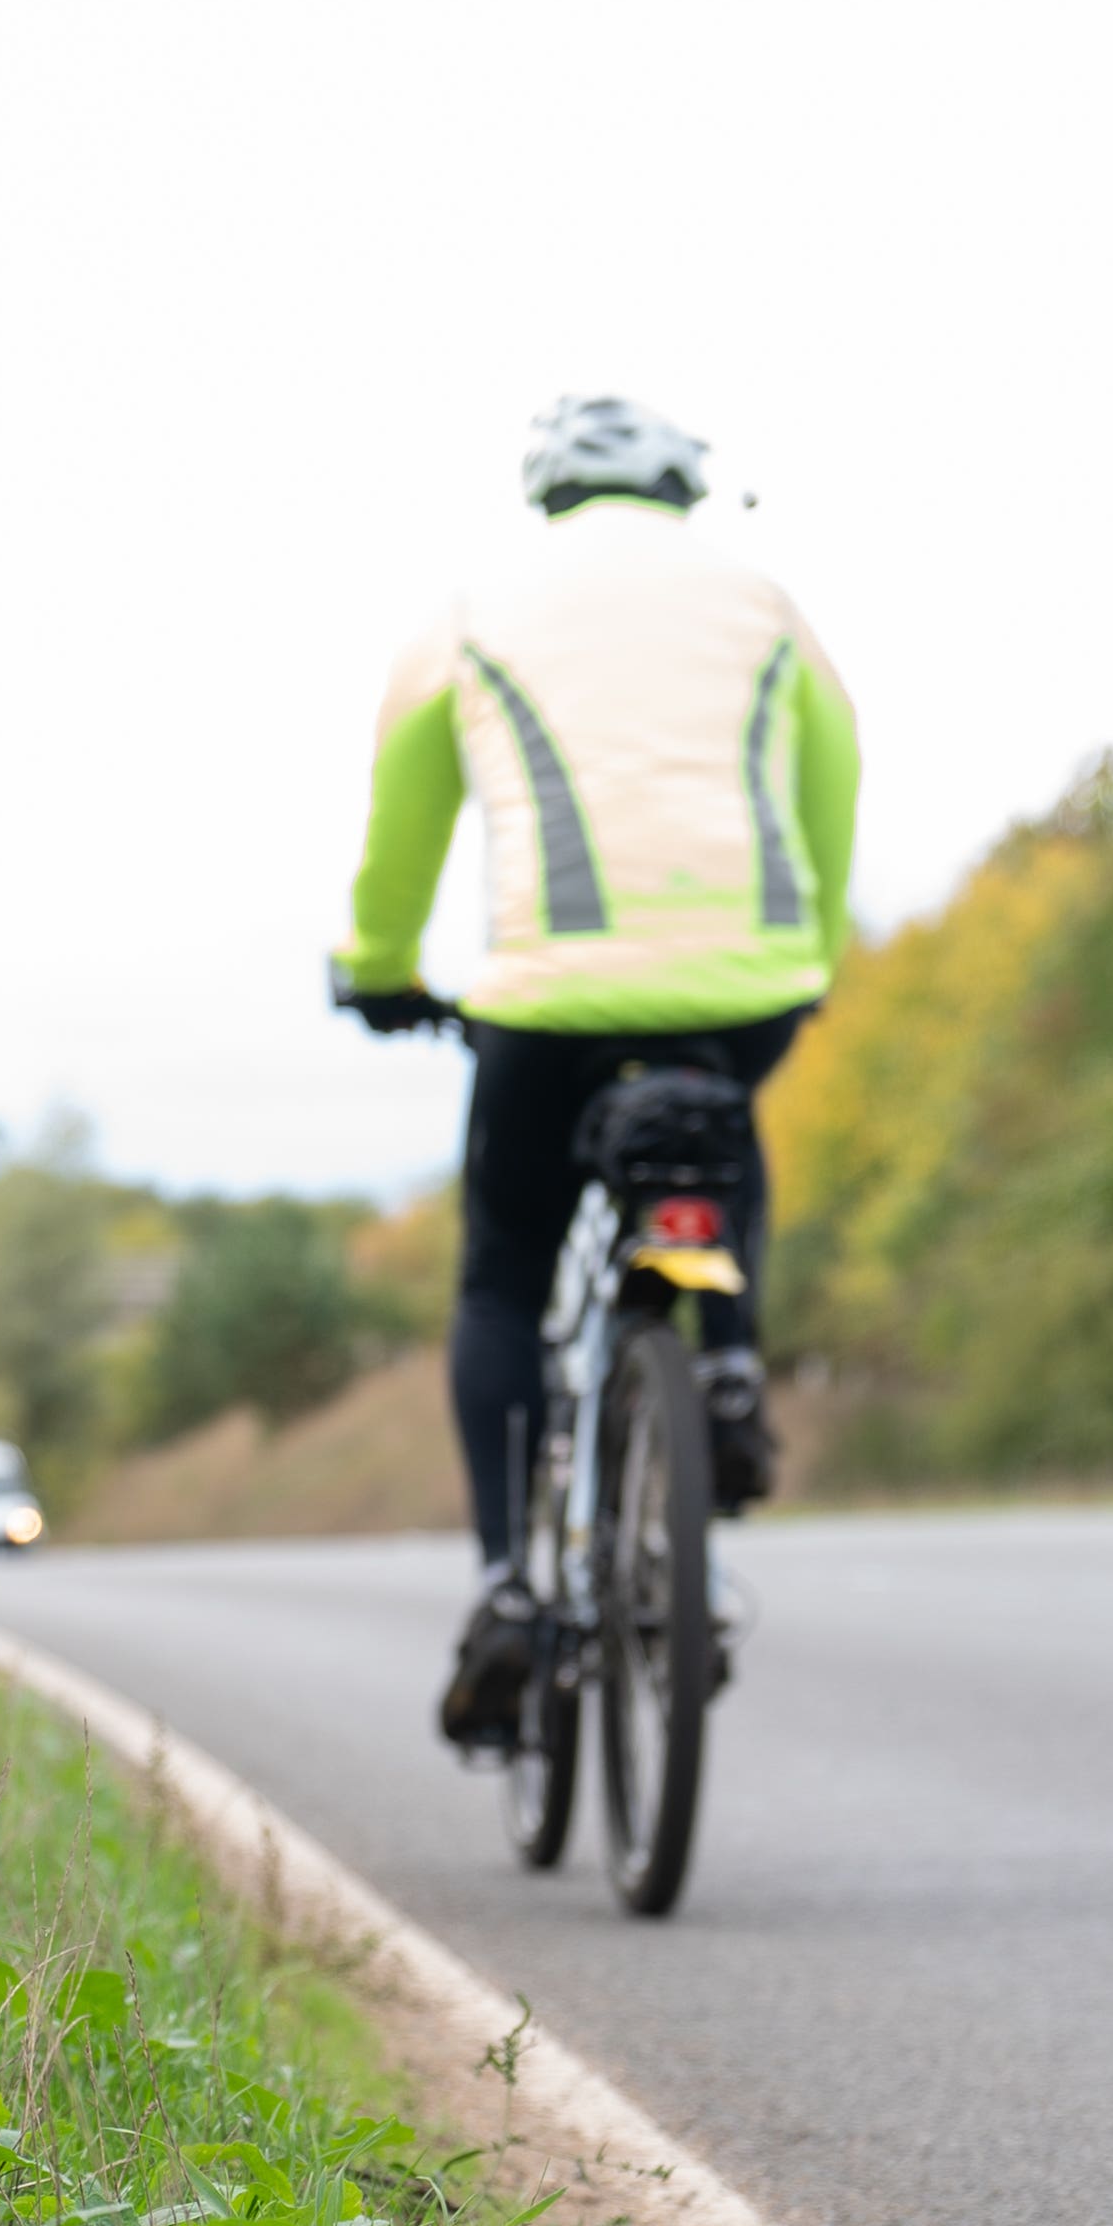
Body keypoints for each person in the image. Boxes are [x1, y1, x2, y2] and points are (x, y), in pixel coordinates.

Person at [328, 395, 856, 1754]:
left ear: (549, 494)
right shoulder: (764, 603)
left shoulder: (474, 610)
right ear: (684, 492)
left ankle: (511, 1578)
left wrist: (380, 962)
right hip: (746, 979)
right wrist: (810, 946)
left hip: (550, 1001)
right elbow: (834, 774)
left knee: (507, 1272)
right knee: (719, 1132)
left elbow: (406, 807)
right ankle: (726, 1365)